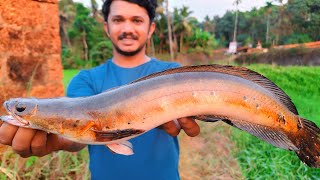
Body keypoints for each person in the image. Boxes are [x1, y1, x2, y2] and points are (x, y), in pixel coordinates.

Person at [0, 0, 200, 179]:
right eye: (118, 19)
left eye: (137, 20)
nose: (127, 28)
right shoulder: (85, 80)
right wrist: (60, 140)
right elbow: (81, 129)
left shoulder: (173, 74)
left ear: (151, 28)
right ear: (107, 26)